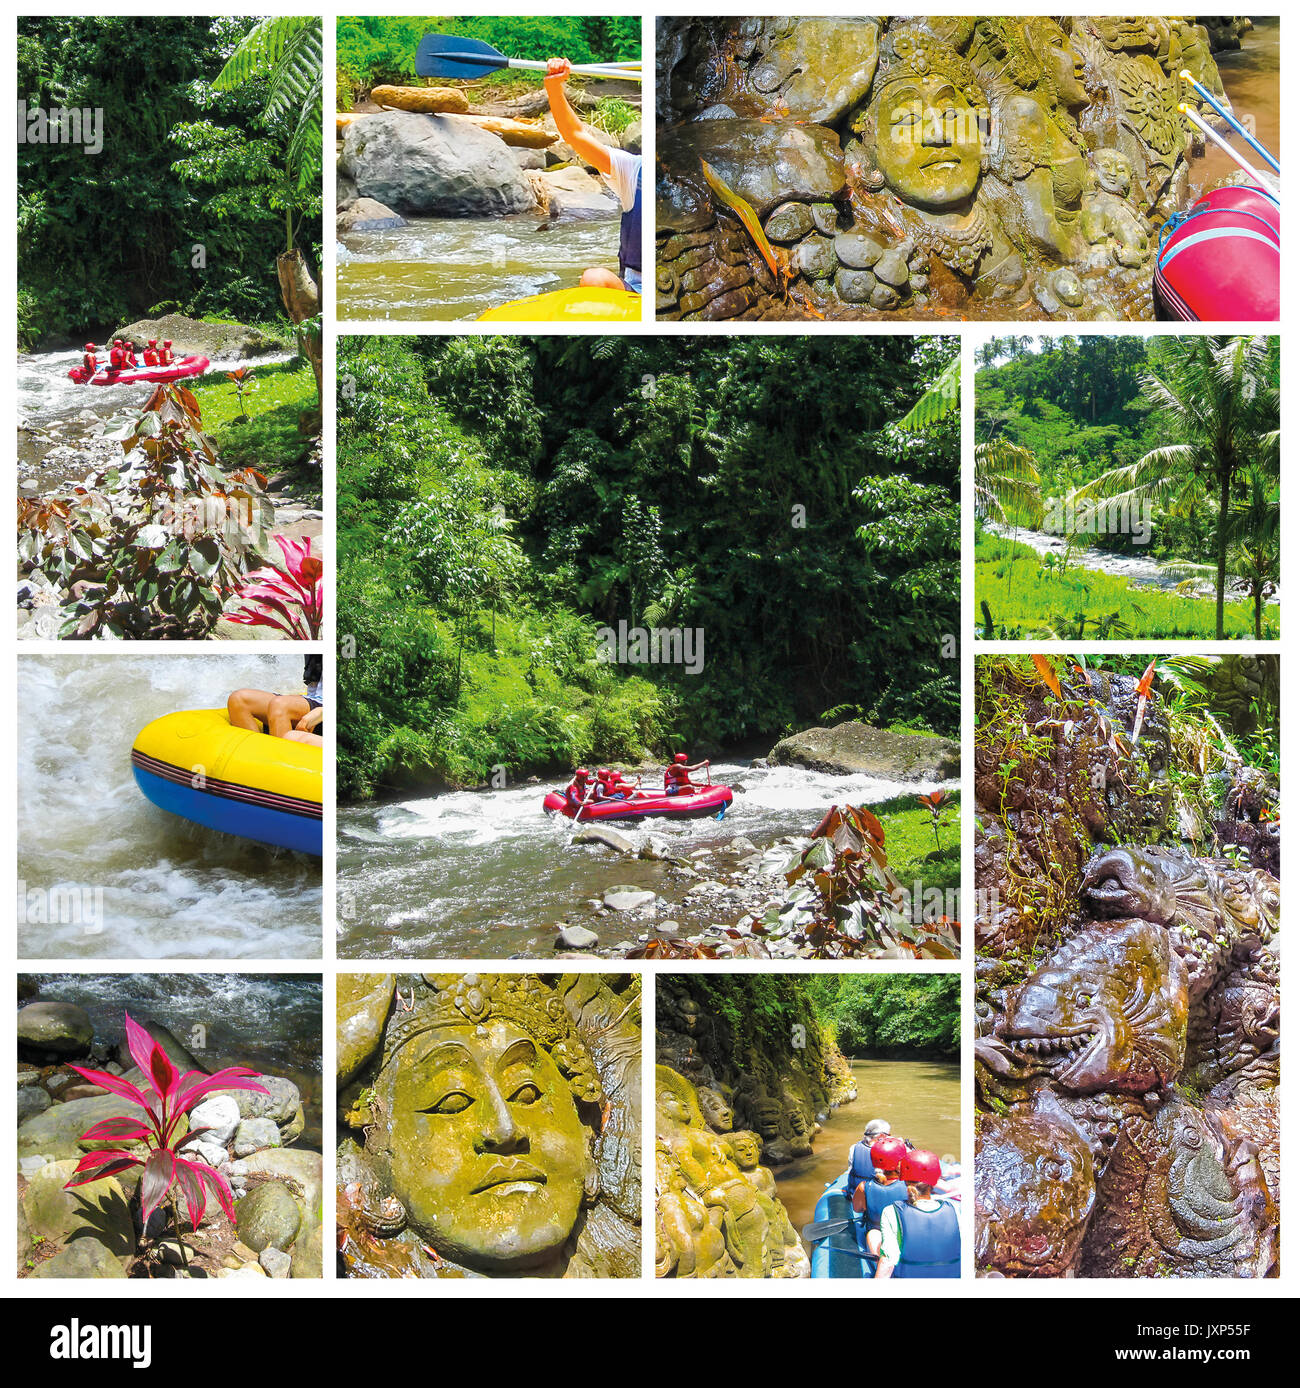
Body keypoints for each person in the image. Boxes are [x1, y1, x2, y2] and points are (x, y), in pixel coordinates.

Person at [543, 57, 642, 294]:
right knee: (594, 278)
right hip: (636, 290)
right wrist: (555, 88)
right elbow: (575, 134)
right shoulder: (634, 170)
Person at [875, 1148, 960, 1279]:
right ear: (935, 1181)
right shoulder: (955, 1209)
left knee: (873, 1235)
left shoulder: (891, 1211)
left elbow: (888, 1262)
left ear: (903, 1179)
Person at [227, 653, 323, 746]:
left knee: (280, 705)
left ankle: (282, 759)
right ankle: (257, 756)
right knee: (239, 699)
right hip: (313, 698)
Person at [859, 1136, 910, 1268]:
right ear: (900, 1163)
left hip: (879, 1236)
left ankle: (881, 1265)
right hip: (906, 1237)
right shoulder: (910, 1186)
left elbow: (858, 1209)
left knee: (873, 1234)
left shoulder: (864, 1187)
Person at [846, 1118, 891, 1202]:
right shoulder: (886, 1152)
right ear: (881, 1136)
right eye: (889, 1135)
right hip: (875, 1197)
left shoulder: (854, 1148)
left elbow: (850, 1169)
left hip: (855, 1195)